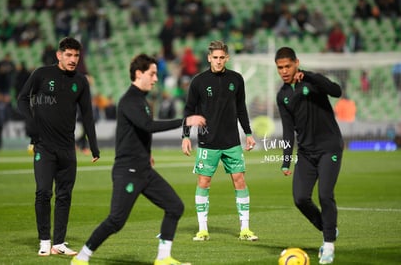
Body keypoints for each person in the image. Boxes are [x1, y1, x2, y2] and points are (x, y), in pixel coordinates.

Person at [71, 54, 205, 265]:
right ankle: (81, 257)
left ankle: (163, 258)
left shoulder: (141, 101)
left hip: (143, 169)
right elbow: (147, 126)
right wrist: (185, 121)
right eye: (152, 74)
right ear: (138, 73)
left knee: (175, 207)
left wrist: (146, 153)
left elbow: (138, 132)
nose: (155, 79)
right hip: (128, 171)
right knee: (116, 220)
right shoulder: (130, 100)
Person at [17, 37, 100, 257]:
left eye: (76, 56)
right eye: (69, 55)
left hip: (67, 148)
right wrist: (31, 123)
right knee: (43, 192)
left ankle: (59, 243)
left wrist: (93, 146)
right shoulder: (42, 74)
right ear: (59, 55)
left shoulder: (81, 81)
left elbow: (88, 115)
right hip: (44, 147)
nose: (73, 60)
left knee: (64, 195)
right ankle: (45, 241)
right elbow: (22, 99)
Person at [181, 40, 258, 242]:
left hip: (232, 141)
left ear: (227, 58)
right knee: (204, 182)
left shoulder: (237, 79)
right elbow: (189, 110)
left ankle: (245, 229)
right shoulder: (198, 81)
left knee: (239, 181)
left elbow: (241, 108)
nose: (218, 61)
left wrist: (248, 133)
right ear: (209, 58)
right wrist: (186, 136)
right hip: (207, 142)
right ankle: (203, 229)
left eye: (221, 57)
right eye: (214, 58)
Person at [275, 47, 343, 264]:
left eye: (287, 66)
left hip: (329, 148)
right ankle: (328, 228)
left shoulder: (313, 82)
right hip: (306, 153)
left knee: (325, 195)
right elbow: (288, 130)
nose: (284, 71)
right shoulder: (283, 96)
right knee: (300, 198)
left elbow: (336, 91)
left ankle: (329, 245)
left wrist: (311, 75)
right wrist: (286, 160)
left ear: (297, 62)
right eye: (280, 68)